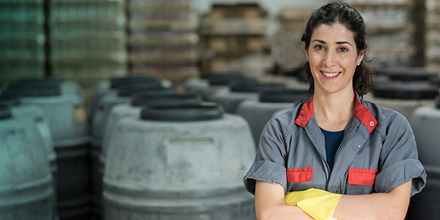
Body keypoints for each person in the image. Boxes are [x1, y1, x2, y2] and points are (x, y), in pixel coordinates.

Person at [243, 2, 426, 220]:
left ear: (360, 54)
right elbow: (269, 214)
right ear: (306, 50)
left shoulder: (392, 130)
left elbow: (392, 211)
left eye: (342, 49)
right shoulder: (279, 132)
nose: (329, 61)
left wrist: (306, 201)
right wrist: (364, 209)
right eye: (319, 47)